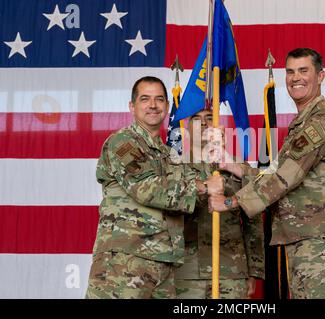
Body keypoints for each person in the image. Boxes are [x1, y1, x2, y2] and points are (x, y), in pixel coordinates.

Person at [209, 48, 325, 299]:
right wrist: (232, 164)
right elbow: (277, 173)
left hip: (321, 242)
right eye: (290, 71)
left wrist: (230, 202)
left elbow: (285, 177)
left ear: (321, 76)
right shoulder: (302, 124)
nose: (295, 78)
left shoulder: (322, 120)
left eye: (303, 71)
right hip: (306, 239)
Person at [85, 76, 224, 299]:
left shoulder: (167, 153)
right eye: (145, 99)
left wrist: (210, 147)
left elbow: (193, 190)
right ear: (132, 106)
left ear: (167, 107)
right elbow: (146, 188)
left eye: (159, 99)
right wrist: (203, 187)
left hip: (165, 262)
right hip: (125, 260)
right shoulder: (123, 142)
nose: (153, 105)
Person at [174, 109, 265, 299]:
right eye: (196, 119)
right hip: (186, 271)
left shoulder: (236, 166)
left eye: (209, 118)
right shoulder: (174, 167)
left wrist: (254, 270)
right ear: (187, 127)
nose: (204, 124)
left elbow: (253, 220)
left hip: (231, 270)